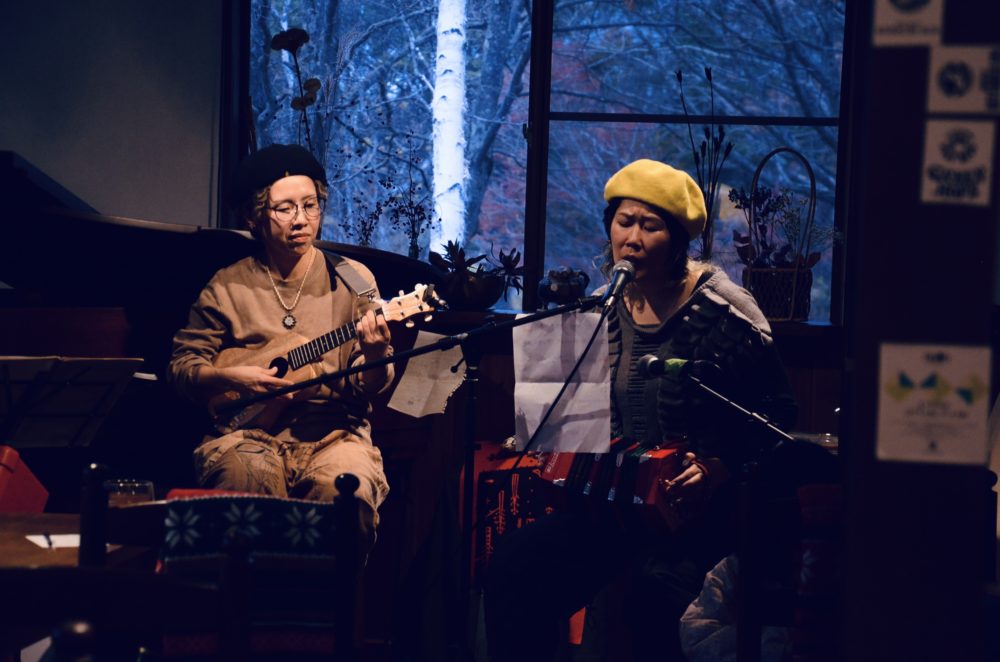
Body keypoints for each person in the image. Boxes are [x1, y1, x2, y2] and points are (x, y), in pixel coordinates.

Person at [483, 159, 797, 661]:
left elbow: (778, 420)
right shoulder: (599, 309)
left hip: (704, 520)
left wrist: (718, 468)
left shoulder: (727, 314)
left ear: (677, 241)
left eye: (650, 226)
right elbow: (563, 434)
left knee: (651, 595)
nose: (631, 239)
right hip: (616, 513)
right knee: (517, 564)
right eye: (623, 222)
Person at [167, 144, 393, 548]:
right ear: (254, 216)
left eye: (310, 205)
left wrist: (376, 355)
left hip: (334, 433)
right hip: (247, 434)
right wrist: (230, 377)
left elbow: (371, 385)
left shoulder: (355, 280)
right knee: (244, 494)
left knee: (346, 498)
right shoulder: (227, 285)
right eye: (285, 209)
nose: (301, 219)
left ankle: (331, 592)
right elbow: (183, 367)